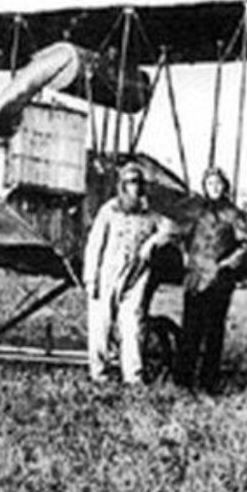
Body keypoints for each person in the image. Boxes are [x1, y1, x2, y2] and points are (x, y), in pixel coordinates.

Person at [83, 162, 177, 384]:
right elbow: (94, 244)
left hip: (136, 278)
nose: (136, 187)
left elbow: (171, 228)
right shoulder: (109, 211)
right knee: (101, 326)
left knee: (133, 326)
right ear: (123, 186)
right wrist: (90, 278)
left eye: (139, 183)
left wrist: (153, 242)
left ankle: (133, 377)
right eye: (131, 182)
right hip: (108, 274)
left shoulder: (149, 214)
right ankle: (99, 375)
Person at [175, 167, 247, 394]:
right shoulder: (197, 212)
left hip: (219, 280)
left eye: (218, 184)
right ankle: (183, 381)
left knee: (213, 331)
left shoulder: (233, 214)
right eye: (210, 184)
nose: (214, 188)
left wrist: (227, 264)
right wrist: (186, 256)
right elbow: (182, 236)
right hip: (194, 278)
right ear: (204, 187)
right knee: (190, 329)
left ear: (225, 186)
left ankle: (208, 382)